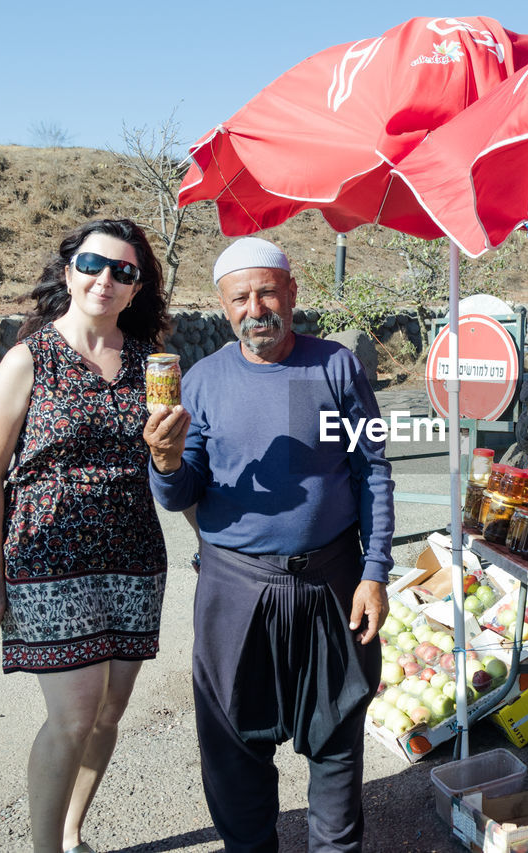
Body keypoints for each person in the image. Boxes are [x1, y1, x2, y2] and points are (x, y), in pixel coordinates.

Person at [144, 236, 393, 853]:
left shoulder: (337, 367)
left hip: (332, 582)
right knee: (233, 754)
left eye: (267, 292)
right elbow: (180, 494)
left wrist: (375, 571)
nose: (256, 308)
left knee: (337, 745)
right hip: (234, 588)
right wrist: (166, 462)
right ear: (224, 306)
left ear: (291, 293)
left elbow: (374, 471)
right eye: (240, 298)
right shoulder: (200, 382)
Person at [0, 219, 170, 853]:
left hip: (134, 557)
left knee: (110, 712)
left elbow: (171, 464)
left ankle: (75, 828)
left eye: (124, 271)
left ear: (137, 289)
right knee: (75, 714)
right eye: (93, 264)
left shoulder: (151, 365)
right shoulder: (28, 358)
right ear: (69, 271)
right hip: (49, 558)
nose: (105, 279)